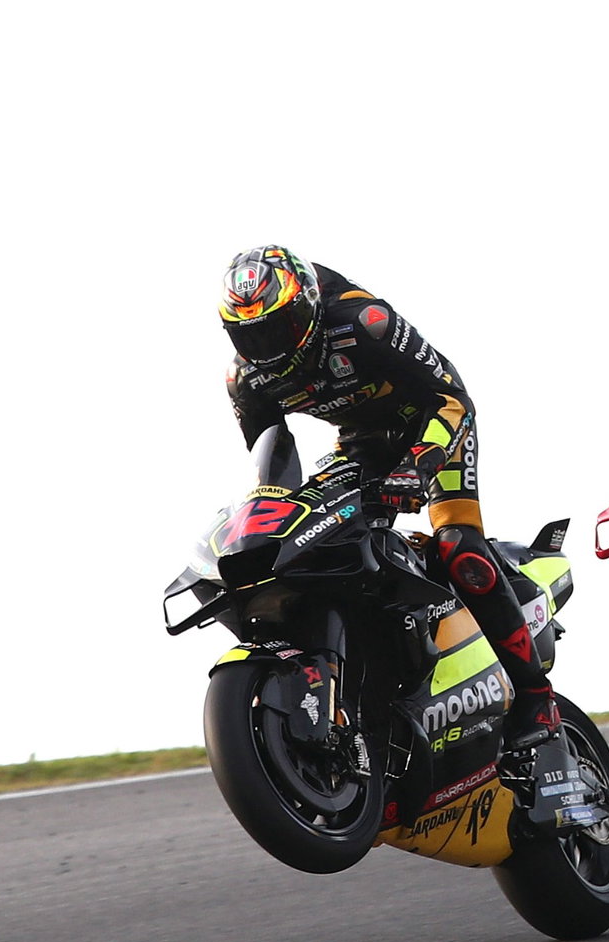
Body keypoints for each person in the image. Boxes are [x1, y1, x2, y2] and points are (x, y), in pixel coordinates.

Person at [216, 244, 559, 749]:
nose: (268, 346)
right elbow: (272, 461)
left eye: (279, 328)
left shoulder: (364, 322)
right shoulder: (245, 378)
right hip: (358, 444)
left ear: (308, 307)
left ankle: (536, 697)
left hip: (432, 427)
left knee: (457, 545)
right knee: (316, 539)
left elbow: (451, 397)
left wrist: (420, 463)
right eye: (251, 335)